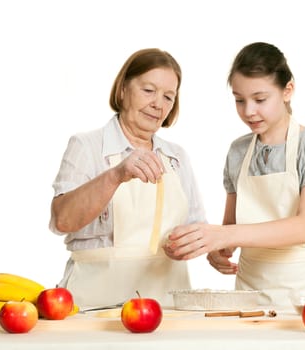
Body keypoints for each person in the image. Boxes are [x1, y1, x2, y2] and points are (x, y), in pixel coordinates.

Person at [164, 42, 305, 306]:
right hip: (252, 291)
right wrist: (215, 248)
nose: (248, 111)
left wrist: (225, 235)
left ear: (287, 91)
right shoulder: (238, 151)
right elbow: (231, 227)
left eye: (260, 99)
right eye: (239, 100)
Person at [49, 48, 206, 309]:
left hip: (166, 306)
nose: (158, 104)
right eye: (148, 90)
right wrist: (116, 175)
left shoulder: (176, 157)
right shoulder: (87, 146)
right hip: (92, 307)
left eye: (168, 96)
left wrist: (195, 244)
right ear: (122, 89)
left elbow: (196, 227)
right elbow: (62, 220)